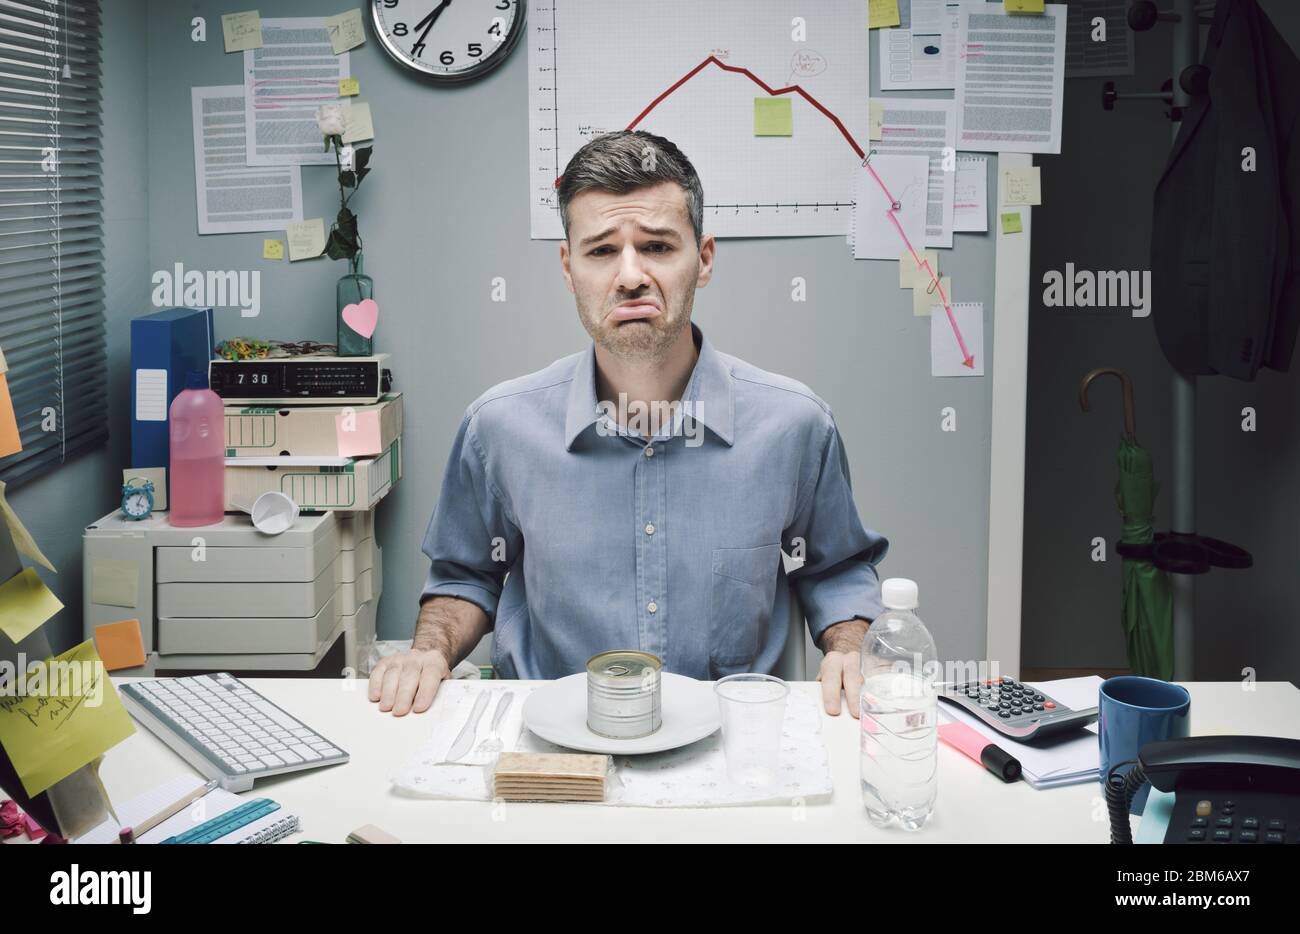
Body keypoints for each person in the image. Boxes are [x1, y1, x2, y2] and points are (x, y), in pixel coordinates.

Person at [370, 130, 888, 718]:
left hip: (733, 748)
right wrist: (429, 651)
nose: (631, 275)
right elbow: (466, 576)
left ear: (705, 258)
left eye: (659, 247)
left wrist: (850, 648)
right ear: (568, 267)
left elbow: (836, 570)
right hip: (550, 751)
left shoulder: (795, 426)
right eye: (600, 251)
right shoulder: (498, 427)